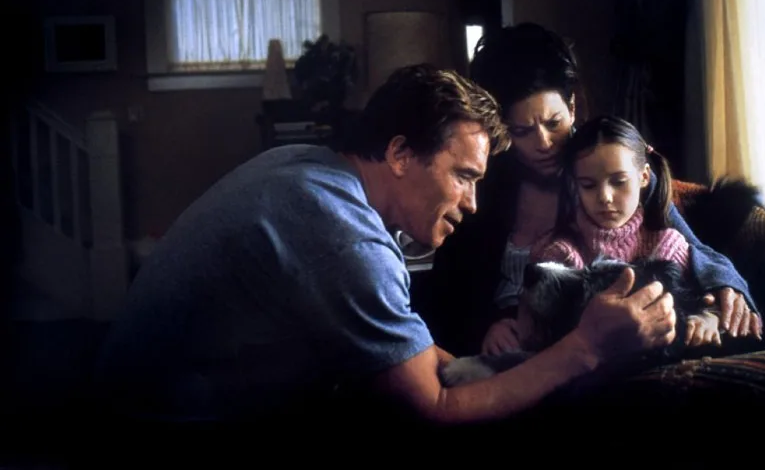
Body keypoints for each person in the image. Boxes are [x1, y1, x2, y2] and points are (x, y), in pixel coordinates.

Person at [90, 64, 678, 447]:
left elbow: (418, 357)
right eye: (463, 176)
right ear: (400, 154)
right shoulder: (344, 235)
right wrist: (586, 347)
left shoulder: (307, 168)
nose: (472, 203)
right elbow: (437, 407)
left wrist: (495, 365)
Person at [424, 23, 762, 358]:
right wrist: (489, 326)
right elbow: (451, 293)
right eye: (522, 131)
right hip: (504, 351)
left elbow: (688, 245)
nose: (544, 143)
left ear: (572, 108)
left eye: (554, 123)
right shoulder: (479, 184)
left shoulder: (610, 165)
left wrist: (726, 284)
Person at [529, 114, 723, 348]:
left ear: (644, 177)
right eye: (588, 185)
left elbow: (705, 303)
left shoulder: (668, 246)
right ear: (574, 185)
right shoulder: (560, 254)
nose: (605, 197)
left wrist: (709, 318)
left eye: (619, 182)